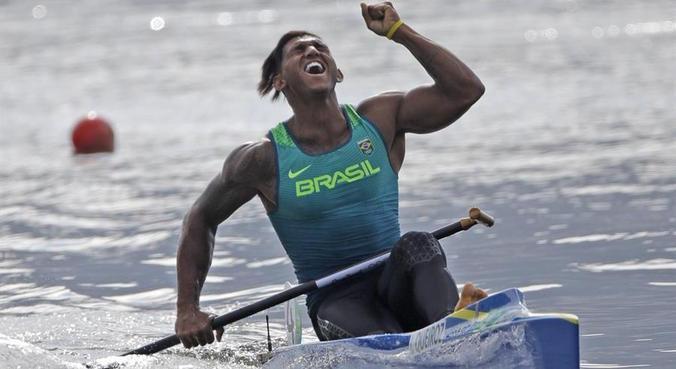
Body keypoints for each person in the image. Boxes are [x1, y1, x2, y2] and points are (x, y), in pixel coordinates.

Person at [174, 1, 486, 348]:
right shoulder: (262, 159)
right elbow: (200, 218)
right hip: (336, 300)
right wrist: (188, 309)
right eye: (298, 50)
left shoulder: (381, 119)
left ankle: (452, 328)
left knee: (418, 241)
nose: (312, 49)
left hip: (395, 280)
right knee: (390, 345)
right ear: (280, 81)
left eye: (320, 46)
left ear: (337, 73)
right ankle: (428, 340)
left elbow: (466, 90)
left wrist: (400, 32)